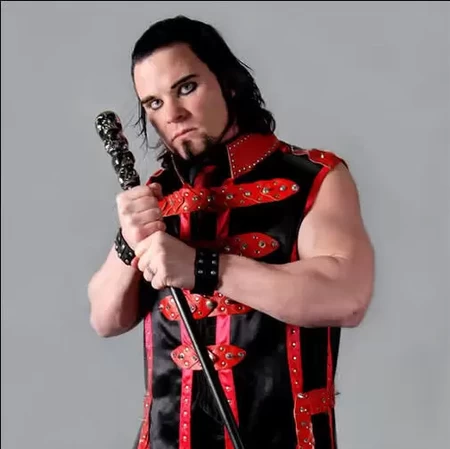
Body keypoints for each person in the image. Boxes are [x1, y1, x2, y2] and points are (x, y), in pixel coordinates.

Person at [88, 15, 375, 449]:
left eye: (186, 87)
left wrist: (205, 267)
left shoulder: (315, 177)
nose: (173, 114)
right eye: (154, 103)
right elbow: (105, 319)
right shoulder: (154, 195)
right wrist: (127, 243)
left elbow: (346, 297)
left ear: (229, 82)